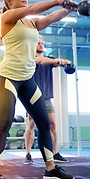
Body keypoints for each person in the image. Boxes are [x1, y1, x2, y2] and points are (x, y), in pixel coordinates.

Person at [0, 0, 77, 179]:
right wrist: (58, 0)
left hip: (27, 80)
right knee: (4, 122)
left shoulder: (32, 23)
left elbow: (52, 18)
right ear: (8, 2)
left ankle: (50, 169)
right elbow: (35, 8)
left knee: (44, 123)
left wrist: (69, 9)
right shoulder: (8, 17)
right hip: (8, 77)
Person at [24, 35, 71, 165]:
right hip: (32, 96)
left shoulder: (50, 60)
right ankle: (28, 153)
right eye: (38, 43)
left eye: (42, 43)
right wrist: (57, 60)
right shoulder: (30, 59)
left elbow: (55, 62)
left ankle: (55, 153)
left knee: (52, 124)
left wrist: (64, 62)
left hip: (46, 97)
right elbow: (40, 61)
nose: (41, 44)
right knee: (32, 124)